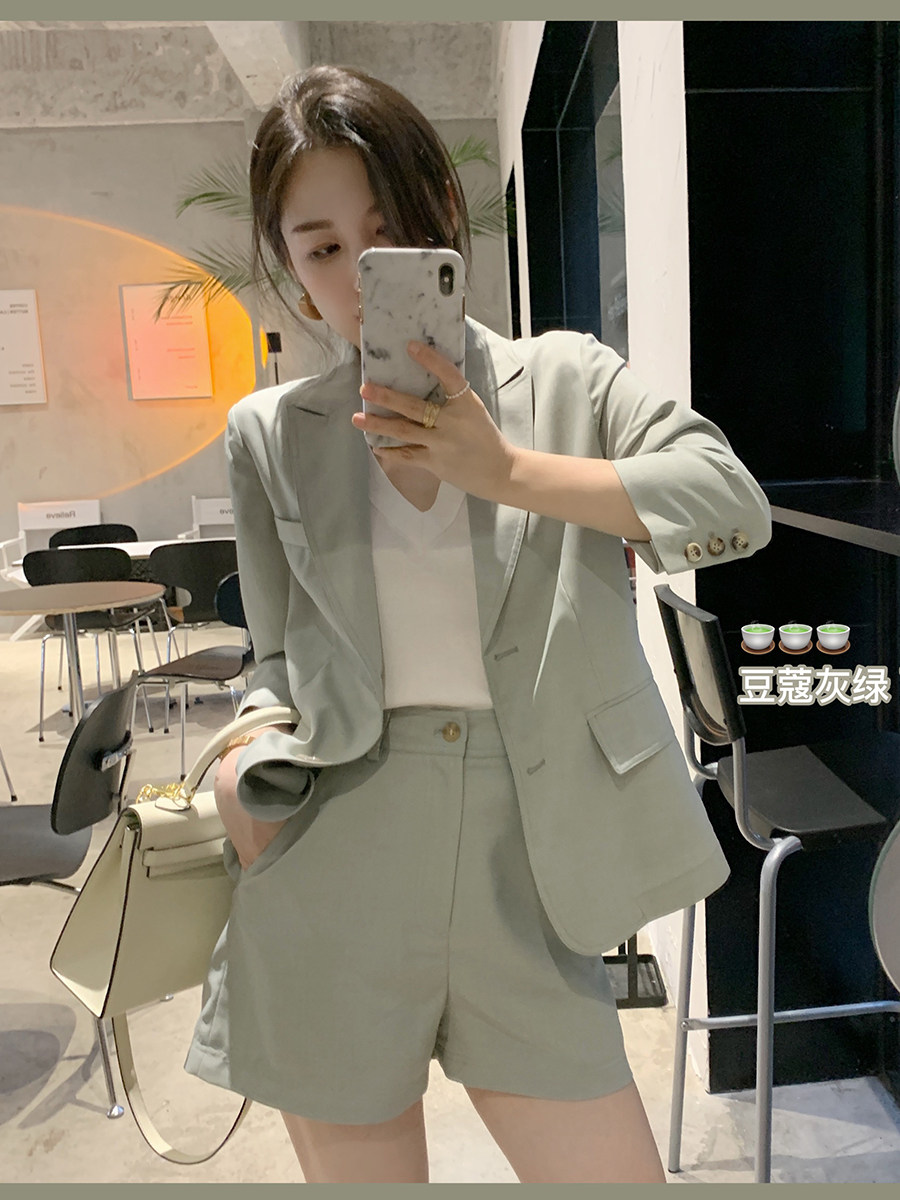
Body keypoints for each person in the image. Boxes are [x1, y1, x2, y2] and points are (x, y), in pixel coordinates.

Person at [183, 64, 772, 1184]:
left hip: (532, 848)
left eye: (386, 230)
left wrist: (504, 471)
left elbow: (729, 503)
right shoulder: (270, 433)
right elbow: (278, 656)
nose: (361, 275)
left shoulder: (566, 379)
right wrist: (243, 755)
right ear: (291, 267)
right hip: (338, 849)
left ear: (444, 212)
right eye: (322, 247)